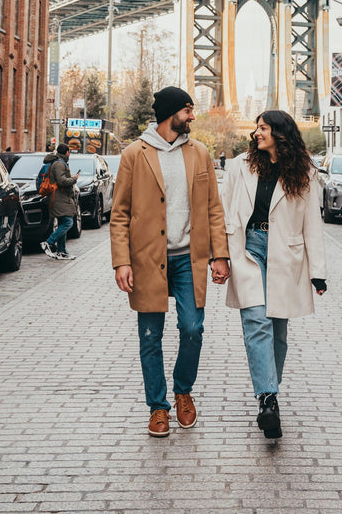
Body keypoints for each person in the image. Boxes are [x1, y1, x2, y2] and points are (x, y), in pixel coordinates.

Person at [110, 86, 230, 438]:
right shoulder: (135, 154)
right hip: (148, 260)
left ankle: (183, 391)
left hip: (188, 259)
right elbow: (119, 214)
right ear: (170, 113)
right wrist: (122, 262)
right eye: (188, 110)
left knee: (192, 329)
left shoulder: (200, 153)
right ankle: (158, 408)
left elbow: (213, 208)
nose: (193, 116)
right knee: (150, 337)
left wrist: (219, 254)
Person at [220, 110, 327, 440]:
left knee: (278, 331)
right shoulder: (241, 166)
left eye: (263, 128)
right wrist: (220, 255)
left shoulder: (303, 172)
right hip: (248, 249)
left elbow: (312, 221)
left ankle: (269, 392)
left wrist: (317, 272)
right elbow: (224, 210)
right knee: (257, 323)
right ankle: (268, 399)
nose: (256, 133)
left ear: (280, 133)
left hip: (286, 253)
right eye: (256, 128)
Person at [40, 143, 80, 261]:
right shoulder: (59, 164)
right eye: (69, 152)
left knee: (63, 221)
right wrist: (74, 179)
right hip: (59, 198)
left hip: (61, 197)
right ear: (67, 152)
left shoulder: (59, 162)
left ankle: (61, 251)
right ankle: (48, 242)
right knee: (68, 222)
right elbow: (62, 181)